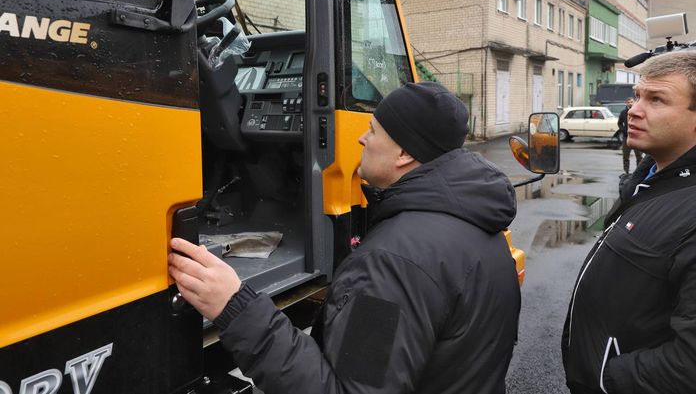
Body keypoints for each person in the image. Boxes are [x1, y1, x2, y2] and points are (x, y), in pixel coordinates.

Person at [169, 82, 521, 394]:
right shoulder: (480, 227)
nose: (361, 138)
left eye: (373, 129)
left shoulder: (394, 262)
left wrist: (235, 306)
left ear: (405, 153)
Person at [562, 50, 696, 394]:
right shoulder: (648, 180)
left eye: (656, 99)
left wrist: (605, 378)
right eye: (637, 96)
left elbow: (688, 366)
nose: (633, 110)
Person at [617, 97, 643, 174]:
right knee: (625, 156)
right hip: (626, 137)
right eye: (628, 102)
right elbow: (619, 123)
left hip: (637, 137)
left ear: (634, 102)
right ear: (626, 103)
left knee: (639, 156)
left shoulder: (638, 112)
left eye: (631, 102)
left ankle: (639, 172)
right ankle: (626, 171)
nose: (630, 103)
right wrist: (624, 130)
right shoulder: (623, 113)